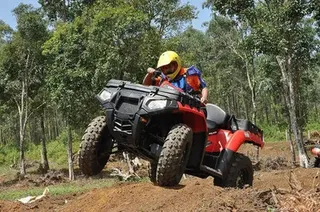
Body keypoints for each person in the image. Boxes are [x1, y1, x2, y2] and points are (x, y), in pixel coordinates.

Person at [143, 51, 209, 104]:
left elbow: (203, 87)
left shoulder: (190, 74)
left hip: (192, 107)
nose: (166, 69)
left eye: (168, 66)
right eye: (163, 68)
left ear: (176, 64)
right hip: (169, 108)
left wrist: (204, 97)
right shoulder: (163, 78)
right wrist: (150, 74)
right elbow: (146, 85)